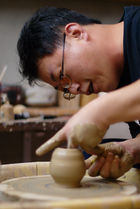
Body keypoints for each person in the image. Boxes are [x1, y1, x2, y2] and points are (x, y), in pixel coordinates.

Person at [17, 6, 140, 179]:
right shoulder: (121, 79)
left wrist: (100, 111)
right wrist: (133, 149)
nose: (74, 89)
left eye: (63, 76)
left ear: (75, 33)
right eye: (65, 89)